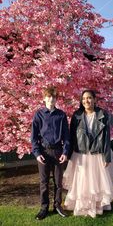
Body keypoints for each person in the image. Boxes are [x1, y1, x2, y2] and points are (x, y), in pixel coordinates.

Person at [63, 89, 113, 218]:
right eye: (84, 98)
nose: (86, 100)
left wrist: (107, 156)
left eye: (89, 98)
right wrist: (68, 155)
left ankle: (97, 207)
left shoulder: (103, 115)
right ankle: (82, 206)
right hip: (80, 154)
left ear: (94, 99)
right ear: (81, 101)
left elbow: (106, 137)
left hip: (96, 154)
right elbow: (71, 136)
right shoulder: (76, 116)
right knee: (82, 182)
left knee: (96, 183)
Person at [31, 86, 70, 220]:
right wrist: (37, 153)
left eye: (53, 97)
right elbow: (34, 137)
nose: (51, 99)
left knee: (59, 182)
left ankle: (58, 206)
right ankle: (44, 207)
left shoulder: (61, 115)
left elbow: (66, 136)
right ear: (44, 98)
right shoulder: (39, 115)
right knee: (44, 182)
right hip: (43, 152)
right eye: (48, 96)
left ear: (56, 99)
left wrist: (65, 152)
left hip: (58, 151)